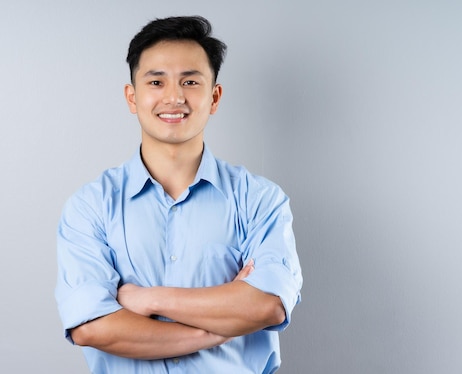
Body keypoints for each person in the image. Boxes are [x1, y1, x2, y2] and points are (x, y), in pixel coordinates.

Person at [55, 15, 302, 373]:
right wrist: (214, 330)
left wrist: (146, 298)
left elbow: (267, 306)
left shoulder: (260, 200)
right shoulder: (91, 206)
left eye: (190, 81)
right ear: (132, 96)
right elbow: (92, 327)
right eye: (156, 81)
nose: (174, 97)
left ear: (214, 96)